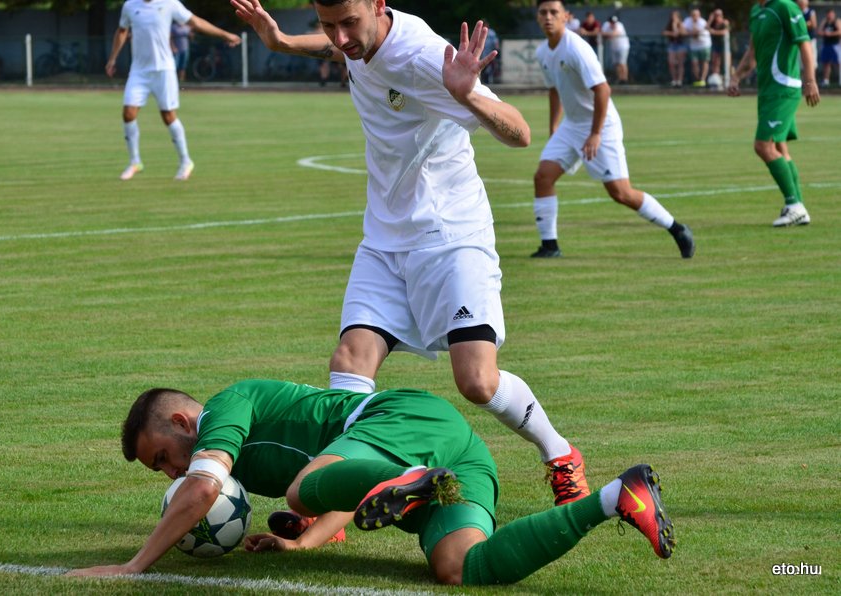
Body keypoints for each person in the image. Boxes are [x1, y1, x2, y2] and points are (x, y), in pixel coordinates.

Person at [232, 0, 591, 507]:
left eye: (349, 23)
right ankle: (337, 499)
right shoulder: (357, 40)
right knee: (349, 363)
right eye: (328, 25)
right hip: (384, 238)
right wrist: (283, 41)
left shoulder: (424, 57)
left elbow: (519, 132)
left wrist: (468, 95)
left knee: (477, 381)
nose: (340, 37)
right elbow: (343, 52)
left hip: (450, 235)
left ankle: (559, 454)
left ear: (378, 5)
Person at [66, 380, 676, 584]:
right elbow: (342, 485)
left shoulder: (223, 409)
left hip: (402, 420)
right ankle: (616, 497)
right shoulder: (239, 449)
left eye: (162, 458)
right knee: (461, 567)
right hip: (457, 455)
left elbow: (202, 490)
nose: (171, 472)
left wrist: (133, 566)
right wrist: (304, 542)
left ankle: (408, 479)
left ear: (182, 422)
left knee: (303, 488)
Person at [532, 0, 695, 259]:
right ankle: (549, 246)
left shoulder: (576, 48)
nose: (548, 17)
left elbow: (603, 90)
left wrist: (595, 133)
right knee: (543, 177)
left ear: (566, 16)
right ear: (538, 18)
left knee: (621, 193)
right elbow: (554, 90)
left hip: (601, 125)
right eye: (543, 13)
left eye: (554, 12)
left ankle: (677, 228)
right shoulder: (543, 52)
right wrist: (554, 127)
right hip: (571, 126)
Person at [105, 0, 241, 181]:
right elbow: (122, 31)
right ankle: (135, 161)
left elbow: (195, 22)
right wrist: (112, 59)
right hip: (139, 71)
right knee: (128, 113)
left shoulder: (170, 3)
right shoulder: (130, 5)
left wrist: (225, 34)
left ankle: (186, 161)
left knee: (168, 116)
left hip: (164, 69)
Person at [728, 0, 820, 227]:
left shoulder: (785, 7)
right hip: (767, 91)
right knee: (780, 148)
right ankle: (798, 207)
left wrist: (810, 81)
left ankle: (795, 206)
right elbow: (752, 53)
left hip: (784, 89)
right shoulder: (756, 11)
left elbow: (805, 44)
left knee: (763, 146)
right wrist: (736, 77)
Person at [683, 8, 711, 87]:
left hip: (704, 44)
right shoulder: (687, 21)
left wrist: (690, 31)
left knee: (704, 62)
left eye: (696, 15)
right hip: (694, 46)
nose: (694, 16)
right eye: (693, 15)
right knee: (694, 63)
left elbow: (695, 34)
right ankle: (697, 79)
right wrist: (689, 32)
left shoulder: (702, 22)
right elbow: (682, 31)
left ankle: (703, 79)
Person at [600, 15, 629, 84]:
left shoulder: (619, 25)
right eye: (612, 22)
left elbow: (615, 33)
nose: (613, 24)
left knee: (622, 63)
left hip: (623, 46)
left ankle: (625, 79)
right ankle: (620, 79)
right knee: (616, 63)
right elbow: (602, 33)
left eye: (614, 22)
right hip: (614, 47)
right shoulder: (606, 25)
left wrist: (607, 34)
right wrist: (608, 34)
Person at [663, 10, 687, 87]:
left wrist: (675, 26)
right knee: (671, 63)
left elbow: (681, 33)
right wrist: (672, 31)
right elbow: (664, 32)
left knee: (680, 63)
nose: (673, 18)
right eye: (672, 16)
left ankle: (679, 80)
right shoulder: (669, 24)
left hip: (680, 45)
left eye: (675, 16)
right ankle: (674, 80)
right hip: (672, 45)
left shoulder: (681, 24)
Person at [707, 8, 730, 87]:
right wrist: (710, 20)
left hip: (725, 45)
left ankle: (727, 79)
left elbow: (725, 31)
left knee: (726, 62)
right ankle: (716, 78)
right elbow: (706, 28)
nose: (717, 17)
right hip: (716, 45)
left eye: (718, 15)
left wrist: (714, 32)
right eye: (715, 15)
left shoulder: (725, 22)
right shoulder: (713, 23)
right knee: (715, 62)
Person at [817, 9, 840, 86]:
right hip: (826, 45)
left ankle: (839, 80)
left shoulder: (837, 21)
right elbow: (819, 31)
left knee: (838, 63)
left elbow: (840, 31)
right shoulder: (825, 21)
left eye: (831, 14)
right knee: (826, 63)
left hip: (835, 45)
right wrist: (824, 33)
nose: (830, 16)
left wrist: (830, 34)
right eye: (829, 14)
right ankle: (826, 80)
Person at [796, 0, 817, 75]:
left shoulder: (811, 11)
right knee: (800, 62)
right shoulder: (796, 11)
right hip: (799, 41)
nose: (801, 2)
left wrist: (801, 23)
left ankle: (811, 79)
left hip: (810, 40)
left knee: (811, 61)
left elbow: (813, 24)